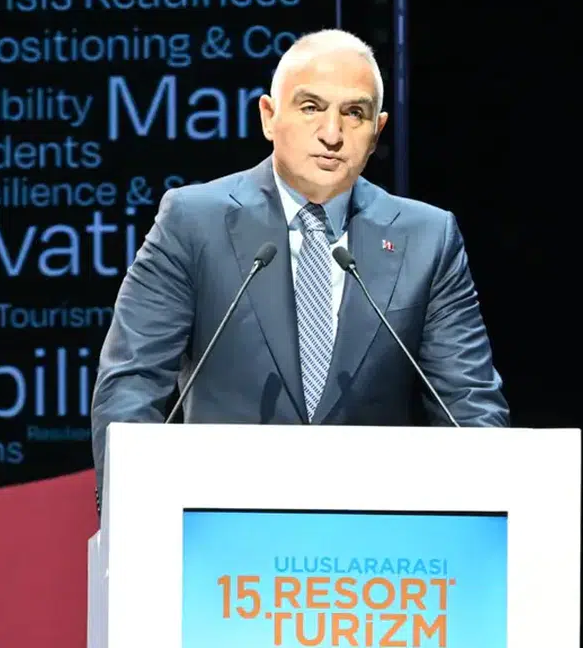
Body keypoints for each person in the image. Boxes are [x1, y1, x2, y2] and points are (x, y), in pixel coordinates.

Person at [91, 29, 508, 507]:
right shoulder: (193, 222)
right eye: (311, 107)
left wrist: (491, 518)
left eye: (354, 114)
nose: (332, 134)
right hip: (220, 524)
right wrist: (131, 516)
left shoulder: (428, 238)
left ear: (377, 130)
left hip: (375, 531)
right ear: (269, 117)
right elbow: (132, 384)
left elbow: (469, 404)